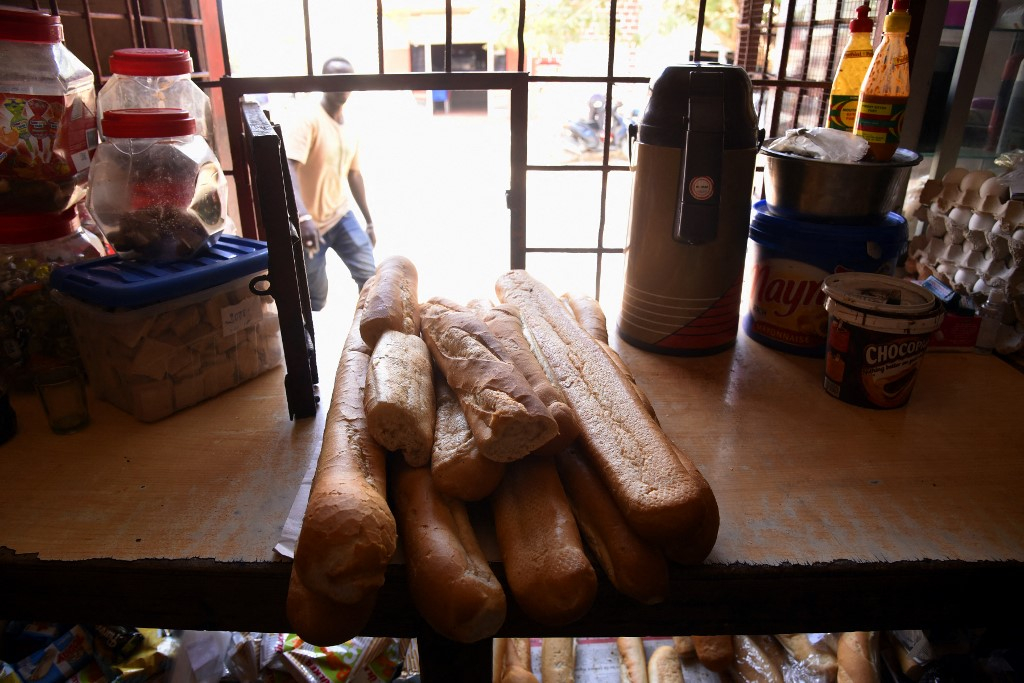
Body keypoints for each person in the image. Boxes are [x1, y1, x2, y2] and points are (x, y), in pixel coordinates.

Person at [283, 57, 376, 311]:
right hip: (310, 224)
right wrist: (303, 217)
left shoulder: (350, 126)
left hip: (340, 215)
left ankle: (370, 334)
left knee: (371, 278)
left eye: (348, 80)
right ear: (323, 82)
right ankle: (307, 344)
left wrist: (368, 221)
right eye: (334, 79)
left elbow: (354, 174)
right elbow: (289, 166)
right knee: (316, 299)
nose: (342, 85)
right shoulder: (308, 119)